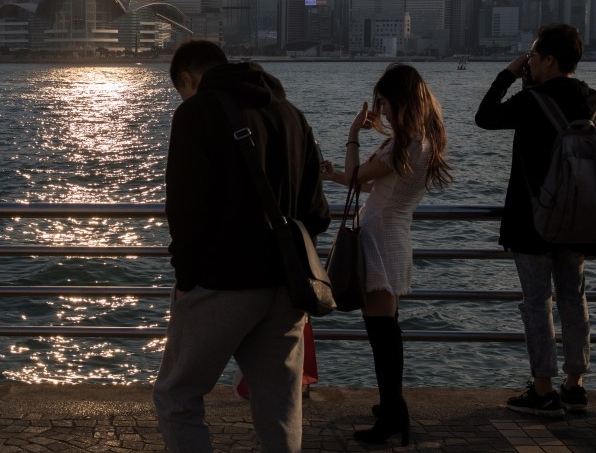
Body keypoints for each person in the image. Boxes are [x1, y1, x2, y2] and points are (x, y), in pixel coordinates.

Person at [153, 40, 330, 453]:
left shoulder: (195, 114)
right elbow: (317, 213)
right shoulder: (291, 115)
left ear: (187, 78)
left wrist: (186, 281)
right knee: (280, 408)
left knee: (176, 395)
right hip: (287, 288)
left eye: (181, 90)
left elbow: (184, 209)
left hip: (222, 283)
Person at [321, 63, 452, 444]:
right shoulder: (421, 140)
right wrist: (333, 176)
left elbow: (360, 174)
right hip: (391, 235)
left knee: (382, 335)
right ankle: (391, 404)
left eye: (382, 102)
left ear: (398, 100)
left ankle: (394, 414)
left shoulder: (403, 144)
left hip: (379, 239)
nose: (380, 110)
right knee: (387, 329)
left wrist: (352, 134)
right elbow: (370, 184)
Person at [475, 23, 594, 417]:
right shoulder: (588, 99)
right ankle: (575, 386)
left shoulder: (531, 101)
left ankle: (542, 390)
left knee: (537, 303)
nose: (529, 61)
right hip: (579, 219)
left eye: (533, 55)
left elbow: (485, 117)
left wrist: (508, 74)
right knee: (574, 299)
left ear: (548, 59)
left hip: (533, 222)